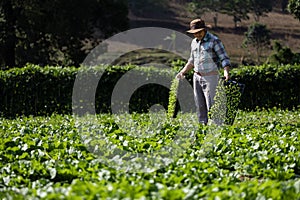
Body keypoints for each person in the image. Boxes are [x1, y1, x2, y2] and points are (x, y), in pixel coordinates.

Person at [176, 18, 230, 125]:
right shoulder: (194, 43)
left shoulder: (214, 41)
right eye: (194, 33)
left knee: (212, 105)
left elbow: (224, 58)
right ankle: (203, 127)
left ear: (204, 30)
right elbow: (192, 60)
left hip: (211, 77)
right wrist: (183, 72)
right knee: (200, 105)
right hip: (197, 77)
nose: (197, 35)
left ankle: (216, 127)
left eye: (199, 32)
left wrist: (226, 72)